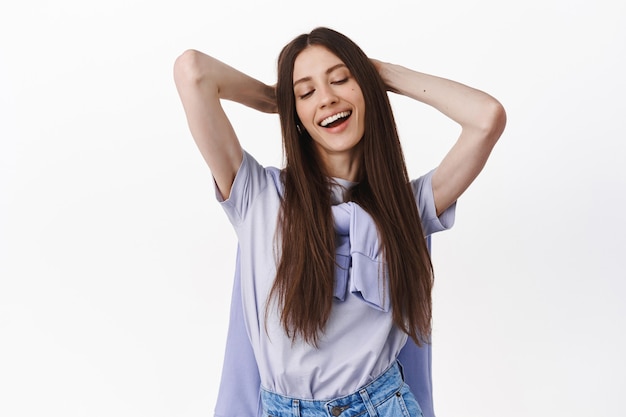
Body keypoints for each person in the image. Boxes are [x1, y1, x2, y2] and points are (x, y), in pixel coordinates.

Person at [174, 27, 506, 417]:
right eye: (306, 92)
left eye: (340, 79)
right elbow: (192, 70)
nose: (327, 97)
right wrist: (272, 98)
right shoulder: (256, 194)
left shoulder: (408, 208)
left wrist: (382, 73)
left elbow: (486, 117)